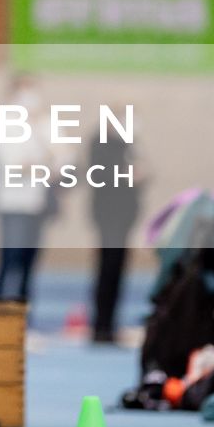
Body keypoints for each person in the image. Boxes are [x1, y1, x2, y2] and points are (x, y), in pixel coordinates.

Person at [0, 77, 55, 304]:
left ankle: (25, 315)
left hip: (36, 203)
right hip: (12, 203)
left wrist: (36, 128)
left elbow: (60, 157)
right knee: (9, 260)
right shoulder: (0, 122)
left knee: (29, 263)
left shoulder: (42, 123)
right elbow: (9, 162)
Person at [87, 127, 140, 345]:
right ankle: (100, 326)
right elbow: (102, 175)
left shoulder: (130, 146)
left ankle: (110, 324)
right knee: (106, 271)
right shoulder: (100, 145)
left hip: (124, 217)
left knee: (118, 272)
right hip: (109, 215)